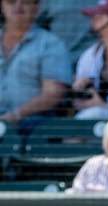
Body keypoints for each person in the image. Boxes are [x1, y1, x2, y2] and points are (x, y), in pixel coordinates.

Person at [0, 0, 72, 134]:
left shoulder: (51, 45)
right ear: (2, 6)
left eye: (25, 2)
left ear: (37, 7)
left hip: (31, 125)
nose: (18, 6)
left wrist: (14, 116)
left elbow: (53, 94)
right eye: (11, 1)